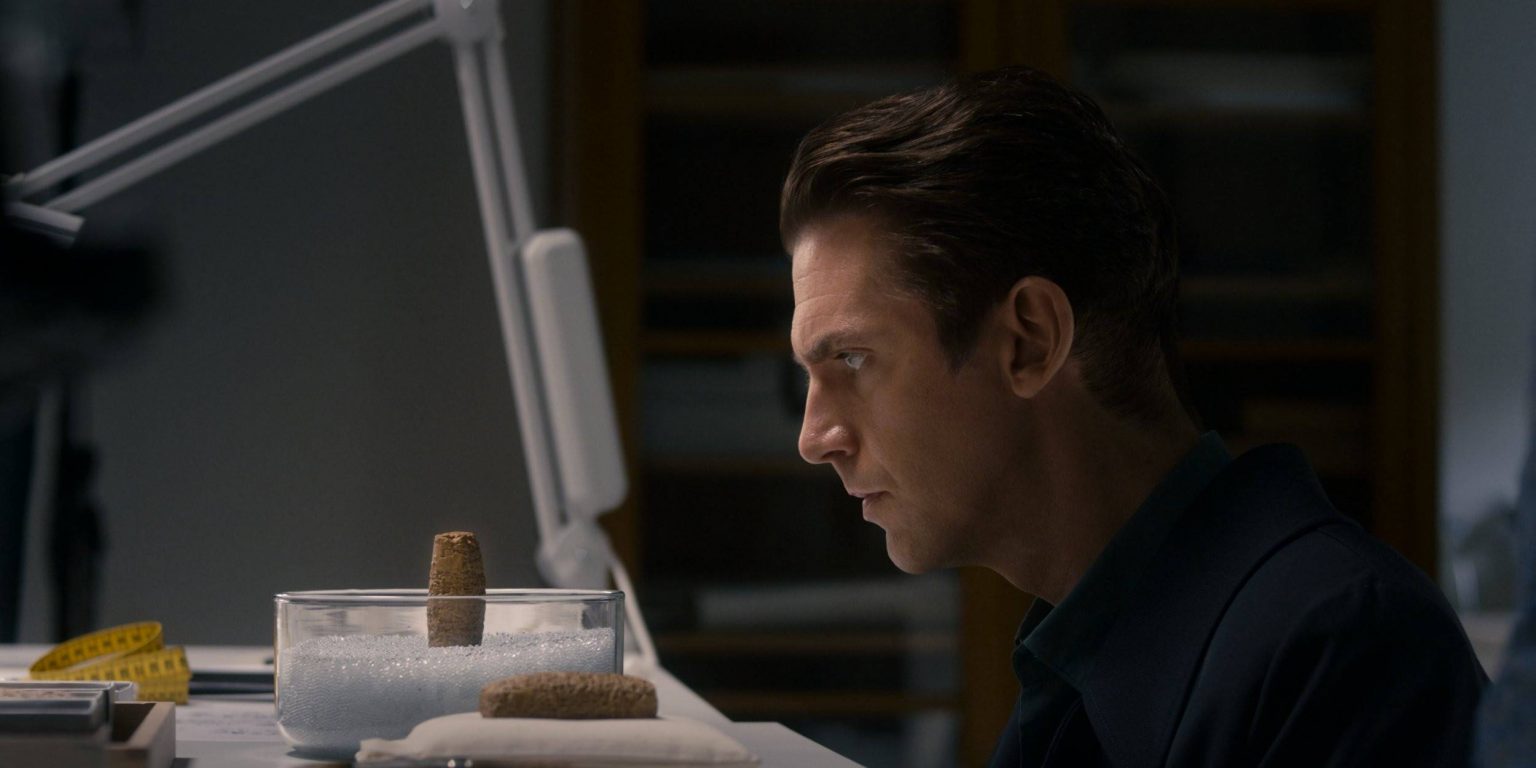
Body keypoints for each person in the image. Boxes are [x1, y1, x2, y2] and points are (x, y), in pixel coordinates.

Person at [780, 66, 1486, 767]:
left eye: (852, 358)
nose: (814, 440)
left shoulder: (1344, 654)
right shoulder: (1077, 664)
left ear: (1029, 341)